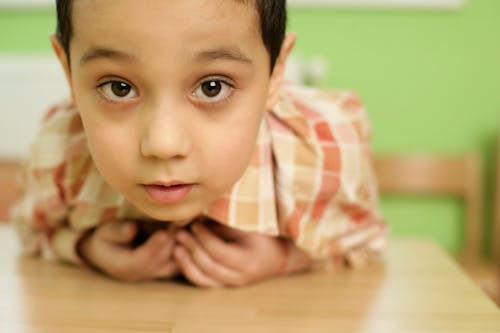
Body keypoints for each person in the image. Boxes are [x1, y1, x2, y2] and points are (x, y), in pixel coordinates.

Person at [13, 0, 387, 287]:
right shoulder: (62, 150)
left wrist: (286, 258)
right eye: (118, 87)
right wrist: (86, 249)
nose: (163, 144)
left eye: (212, 86)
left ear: (275, 74)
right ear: (68, 71)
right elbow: (32, 231)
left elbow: (365, 241)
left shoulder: (319, 149)